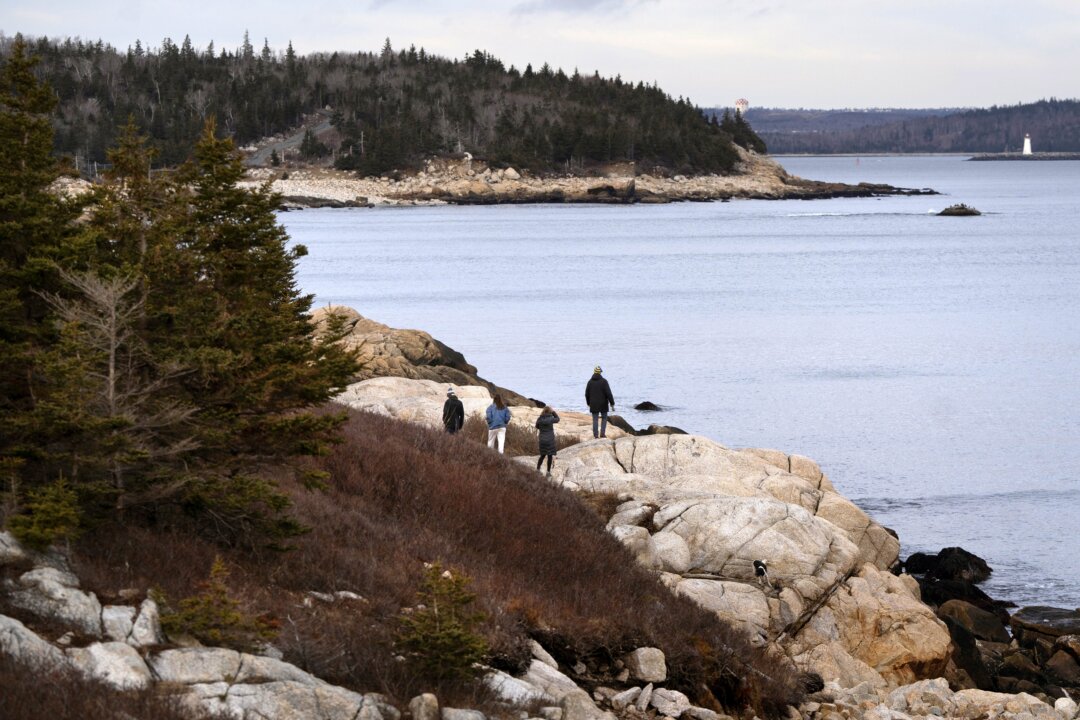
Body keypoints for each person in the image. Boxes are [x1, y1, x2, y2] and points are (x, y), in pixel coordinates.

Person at [585, 365, 615, 439]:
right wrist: (612, 403)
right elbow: (609, 393)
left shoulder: (590, 382)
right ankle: (602, 434)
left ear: (594, 372)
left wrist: (588, 403)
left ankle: (595, 435)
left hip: (593, 404)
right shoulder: (604, 382)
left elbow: (586, 394)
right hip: (603, 404)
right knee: (604, 418)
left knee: (595, 419)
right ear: (600, 372)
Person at [535, 406, 560, 477]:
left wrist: (542, 428)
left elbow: (537, 426)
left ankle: (537, 470)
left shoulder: (540, 419)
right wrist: (553, 412)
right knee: (549, 456)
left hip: (542, 440)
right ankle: (548, 472)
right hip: (550, 440)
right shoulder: (551, 418)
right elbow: (558, 419)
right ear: (550, 411)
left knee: (542, 455)